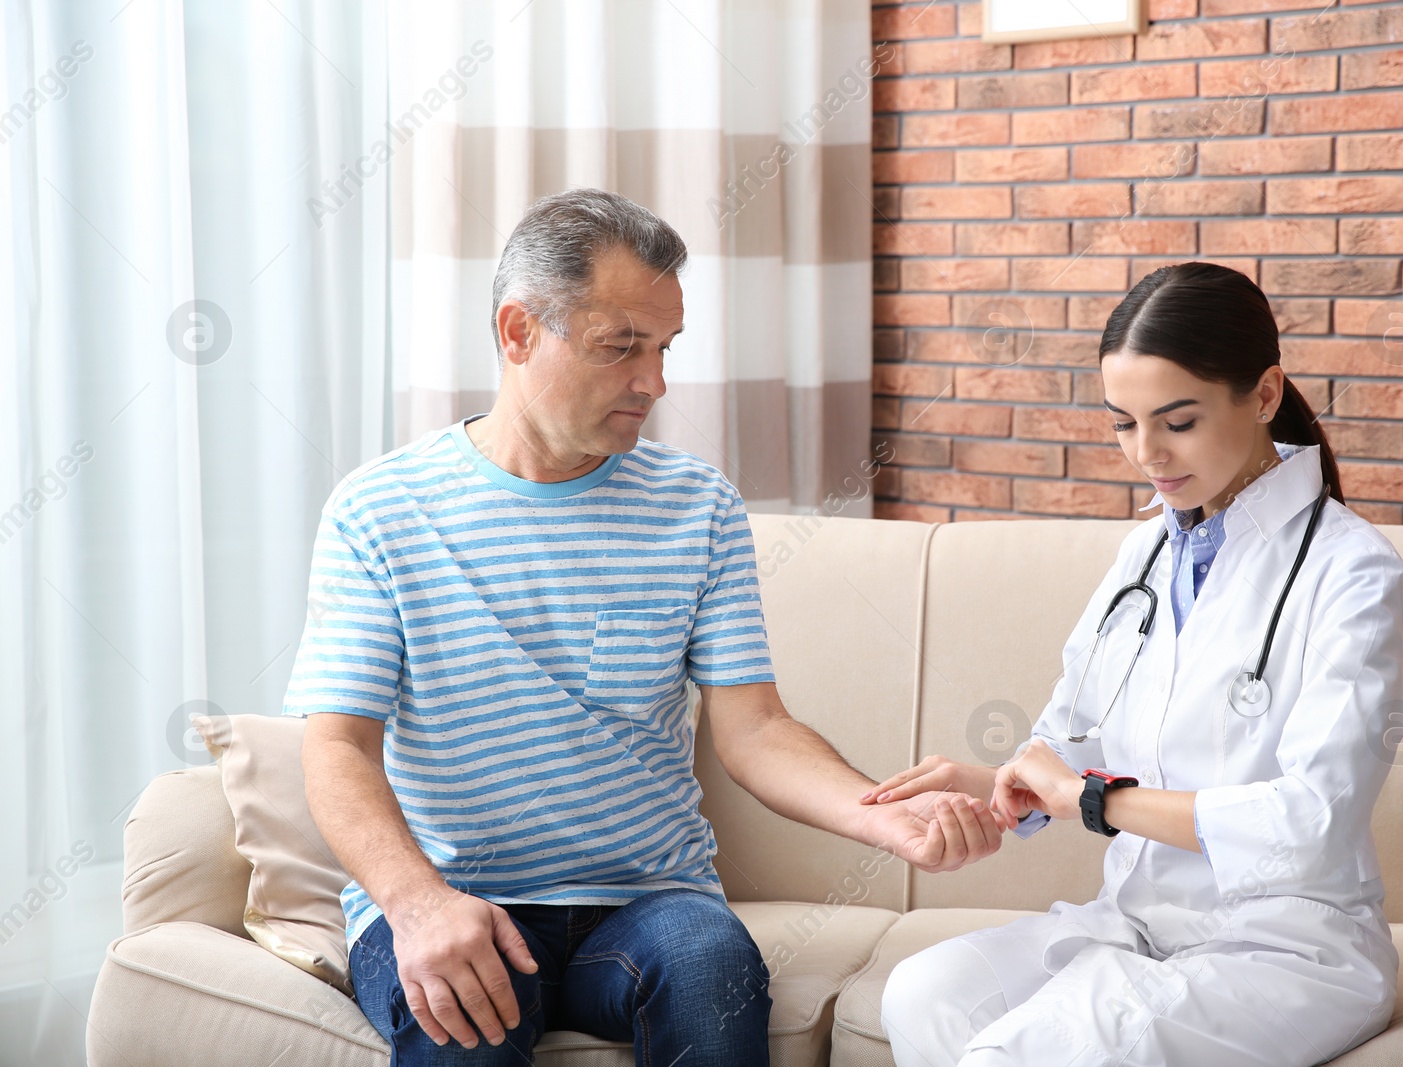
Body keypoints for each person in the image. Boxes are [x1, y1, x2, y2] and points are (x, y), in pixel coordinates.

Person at [286, 188, 1004, 1067]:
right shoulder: (380, 510)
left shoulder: (695, 503)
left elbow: (757, 729)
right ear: (518, 332)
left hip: (648, 901)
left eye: (663, 348)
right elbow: (336, 748)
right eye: (620, 346)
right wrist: (416, 902)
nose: (653, 383)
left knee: (711, 965)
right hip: (451, 892)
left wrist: (881, 819)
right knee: (462, 1025)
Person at [865, 261, 1403, 1067]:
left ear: (1263, 395)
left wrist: (1091, 801)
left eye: (1177, 421)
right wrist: (987, 781)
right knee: (923, 993)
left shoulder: (1352, 569)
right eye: (1123, 422)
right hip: (1138, 924)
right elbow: (1069, 744)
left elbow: (1312, 823)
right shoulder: (1146, 552)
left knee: (1042, 1046)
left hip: (1286, 946)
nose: (1146, 453)